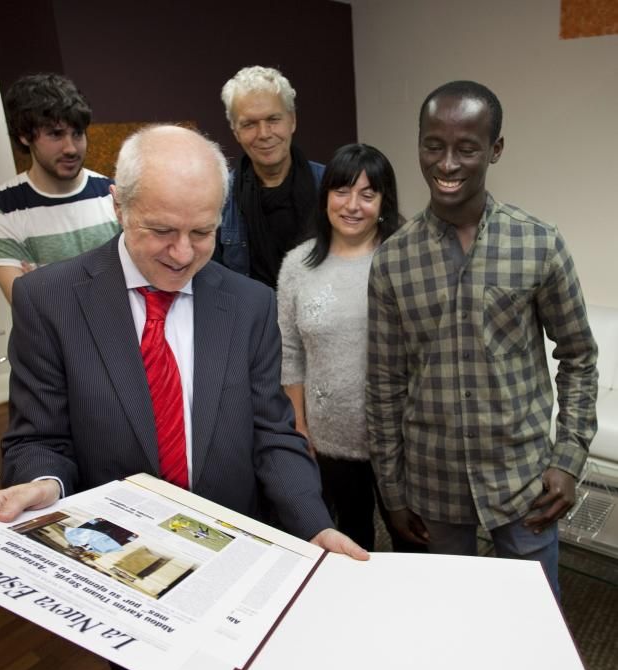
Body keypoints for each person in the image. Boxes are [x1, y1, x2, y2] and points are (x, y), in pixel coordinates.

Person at [0, 124, 367, 670]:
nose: (183, 253)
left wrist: (314, 524)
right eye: (160, 230)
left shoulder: (249, 304)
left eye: (202, 232)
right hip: (122, 570)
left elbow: (273, 436)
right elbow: (39, 436)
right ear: (118, 205)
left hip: (236, 558)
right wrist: (42, 484)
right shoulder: (50, 301)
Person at [366, 80, 598, 598]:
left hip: (523, 481)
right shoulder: (393, 259)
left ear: (494, 149)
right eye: (434, 145)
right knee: (455, 626)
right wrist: (392, 489)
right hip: (435, 485)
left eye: (466, 148)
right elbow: (383, 384)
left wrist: (568, 458)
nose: (447, 164)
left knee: (537, 628)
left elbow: (579, 356)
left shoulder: (538, 242)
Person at [277, 143, 423, 553]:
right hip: (330, 438)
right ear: (326, 196)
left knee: (412, 538)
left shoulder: (406, 260)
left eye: (368, 194)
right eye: (342, 191)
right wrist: (299, 424)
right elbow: (290, 353)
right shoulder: (297, 265)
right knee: (351, 537)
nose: (352, 205)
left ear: (383, 201)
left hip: (402, 437)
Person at [0, 72, 121, 303]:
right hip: (58, 341)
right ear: (25, 136)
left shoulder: (113, 193)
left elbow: (135, 288)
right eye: (56, 134)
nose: (71, 148)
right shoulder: (1, 208)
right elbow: (28, 308)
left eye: (77, 134)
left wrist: (44, 285)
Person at [214, 65, 323, 288]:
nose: (264, 134)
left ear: (292, 121)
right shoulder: (219, 198)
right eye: (249, 124)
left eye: (273, 119)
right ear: (236, 132)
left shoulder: (331, 186)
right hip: (250, 321)